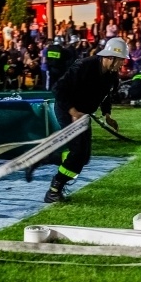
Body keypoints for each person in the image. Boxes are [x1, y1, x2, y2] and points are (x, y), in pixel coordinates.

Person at [42, 37, 126, 203]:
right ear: (111, 57)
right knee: (79, 151)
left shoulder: (111, 75)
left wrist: (107, 115)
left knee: (83, 157)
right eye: (122, 60)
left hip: (82, 114)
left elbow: (106, 95)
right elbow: (58, 89)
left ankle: (56, 159)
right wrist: (72, 111)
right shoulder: (84, 66)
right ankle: (54, 190)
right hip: (68, 110)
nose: (123, 64)